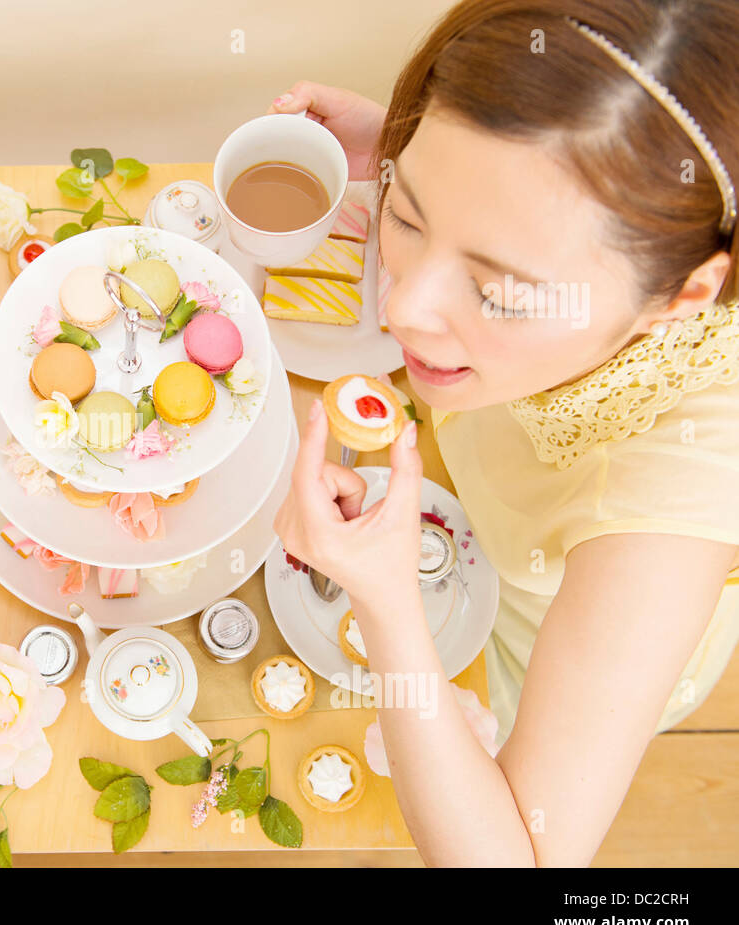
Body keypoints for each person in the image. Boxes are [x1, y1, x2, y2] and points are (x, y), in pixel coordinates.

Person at [273, 0, 739, 866]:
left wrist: (383, 600)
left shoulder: (672, 508)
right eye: (407, 220)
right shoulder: (608, 255)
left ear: (682, 299)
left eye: (502, 294)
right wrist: (406, 155)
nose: (400, 307)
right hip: (480, 489)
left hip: (543, 631)